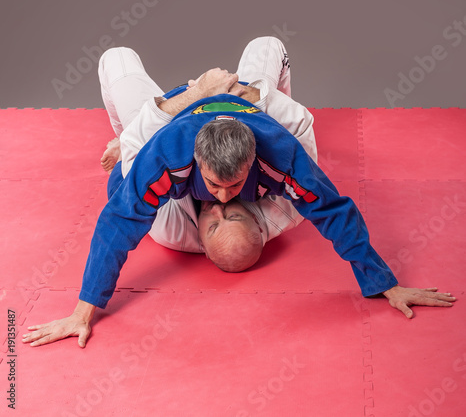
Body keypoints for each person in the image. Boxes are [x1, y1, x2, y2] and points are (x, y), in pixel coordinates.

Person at [23, 37, 456, 348]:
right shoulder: (169, 154)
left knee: (130, 62)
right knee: (125, 65)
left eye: (234, 185)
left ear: (253, 161)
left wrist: (384, 284)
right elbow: (119, 222)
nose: (225, 198)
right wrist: (85, 310)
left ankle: (133, 137)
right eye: (214, 184)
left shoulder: (279, 154)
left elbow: (333, 210)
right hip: (173, 116)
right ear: (195, 163)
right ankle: (131, 136)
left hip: (229, 111)